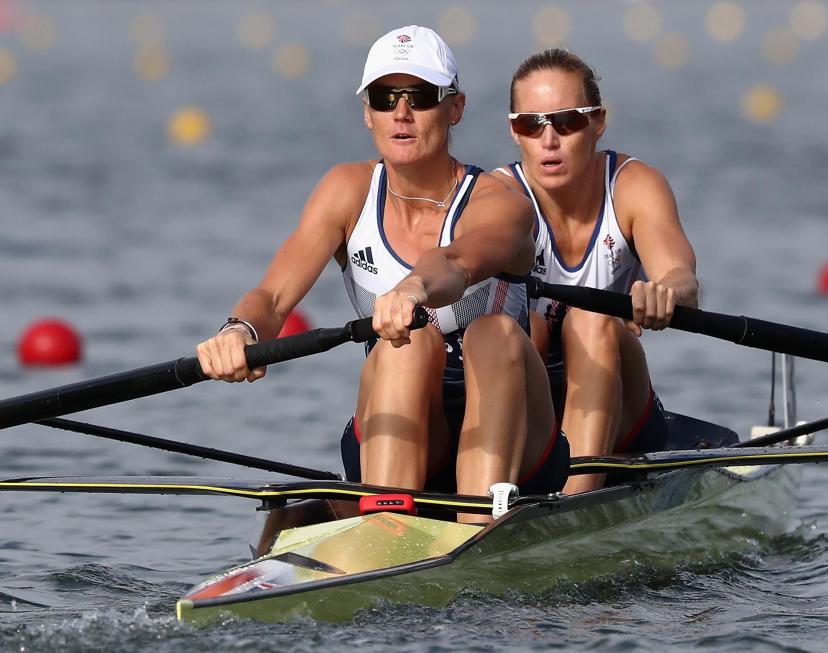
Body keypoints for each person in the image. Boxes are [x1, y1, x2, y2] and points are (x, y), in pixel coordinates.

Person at [196, 26, 568, 521]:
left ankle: (480, 524)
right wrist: (238, 331)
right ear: (367, 112)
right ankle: (386, 532)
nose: (401, 112)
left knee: (494, 333)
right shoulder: (346, 190)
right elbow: (273, 296)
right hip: (403, 421)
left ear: (455, 108)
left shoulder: (501, 203)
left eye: (420, 95)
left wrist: (413, 289)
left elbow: (455, 263)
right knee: (409, 345)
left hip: (521, 444)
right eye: (384, 96)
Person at [494, 49, 699, 494]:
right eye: (531, 124)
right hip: (532, 420)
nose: (549, 140)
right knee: (524, 327)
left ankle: (574, 502)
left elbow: (681, 275)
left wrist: (665, 291)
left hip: (624, 415)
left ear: (598, 122)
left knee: (589, 319)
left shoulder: (634, 185)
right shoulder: (499, 197)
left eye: (567, 121)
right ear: (515, 131)